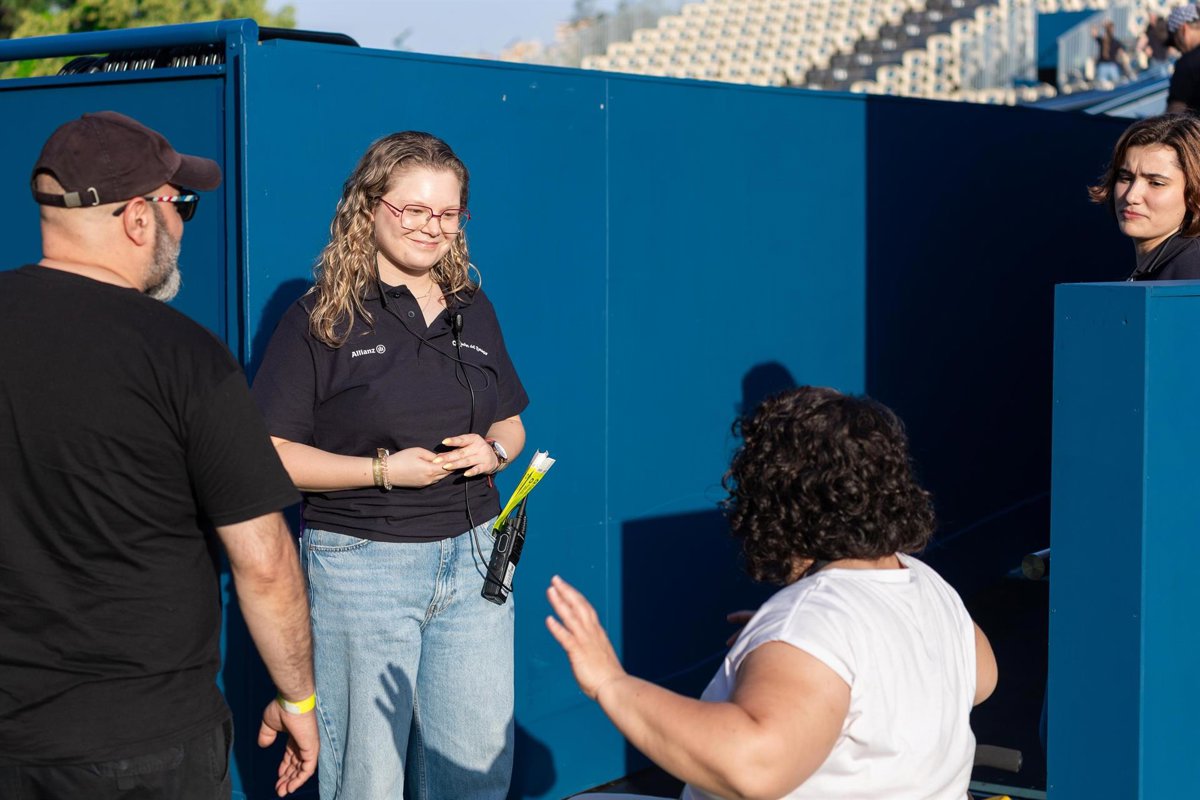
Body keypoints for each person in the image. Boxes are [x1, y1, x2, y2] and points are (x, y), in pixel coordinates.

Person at [0, 111, 317, 798]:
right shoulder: (184, 356)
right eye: (183, 205)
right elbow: (264, 562)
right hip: (145, 745)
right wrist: (299, 700)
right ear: (140, 218)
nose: (182, 224)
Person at [547, 386, 997, 800]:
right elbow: (981, 679)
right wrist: (796, 656)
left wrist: (611, 683)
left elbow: (753, 767)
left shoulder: (812, 619)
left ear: (776, 498)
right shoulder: (923, 581)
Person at [252, 130, 528, 799]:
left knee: (476, 773)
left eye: (448, 213)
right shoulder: (320, 318)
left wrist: (492, 452)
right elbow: (271, 457)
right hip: (363, 566)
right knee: (368, 780)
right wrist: (382, 471)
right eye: (413, 209)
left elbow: (511, 423)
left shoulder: (472, 306)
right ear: (369, 207)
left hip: (476, 562)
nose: (432, 227)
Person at [1089, 113, 1200, 280]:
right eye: (1126, 178)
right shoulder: (1169, 264)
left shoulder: (1191, 270)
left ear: (1195, 191)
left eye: (1156, 183)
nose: (1131, 196)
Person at [1167, 4, 1200, 113]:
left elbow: (1175, 112)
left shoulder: (1187, 64)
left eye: (1174, 37)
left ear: (1183, 29)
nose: (1176, 45)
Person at [1093, 20, 1127, 84]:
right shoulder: (1103, 41)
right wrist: (1101, 25)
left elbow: (1122, 51)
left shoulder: (1114, 41)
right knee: (1103, 84)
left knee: (1115, 83)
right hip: (1104, 66)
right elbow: (1094, 33)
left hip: (1111, 65)